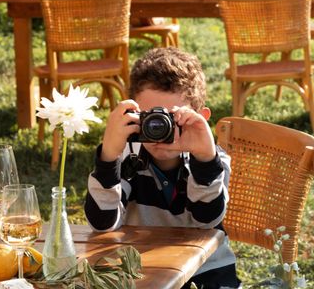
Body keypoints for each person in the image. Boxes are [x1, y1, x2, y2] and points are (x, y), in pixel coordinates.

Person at [84, 47, 241, 289]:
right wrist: (108, 156)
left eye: (172, 119)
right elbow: (102, 223)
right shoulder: (126, 155)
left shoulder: (212, 160)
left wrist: (204, 157)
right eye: (150, 119)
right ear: (132, 116)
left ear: (201, 118)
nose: (160, 130)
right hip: (144, 267)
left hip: (208, 268)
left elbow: (206, 219)